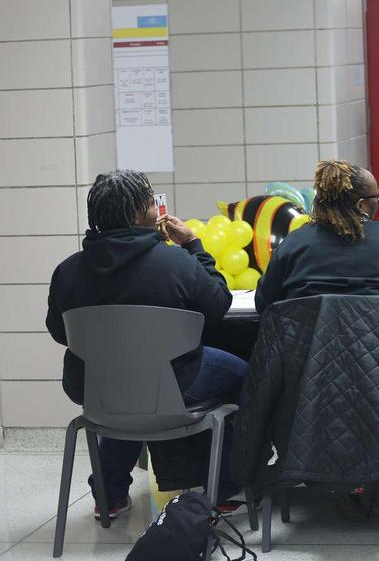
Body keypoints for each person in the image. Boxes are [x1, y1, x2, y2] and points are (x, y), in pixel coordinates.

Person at [45, 170, 246, 518]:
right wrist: (194, 245)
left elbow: (59, 332)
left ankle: (108, 494)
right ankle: (224, 488)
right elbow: (218, 304)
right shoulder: (175, 263)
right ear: (140, 213)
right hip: (173, 384)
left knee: (122, 386)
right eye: (152, 201)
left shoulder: (68, 271)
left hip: (94, 388)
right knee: (245, 373)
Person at [256, 160, 379, 310]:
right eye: (378, 197)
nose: (378, 202)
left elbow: (264, 301)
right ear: (361, 205)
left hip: (307, 336)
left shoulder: (293, 244)